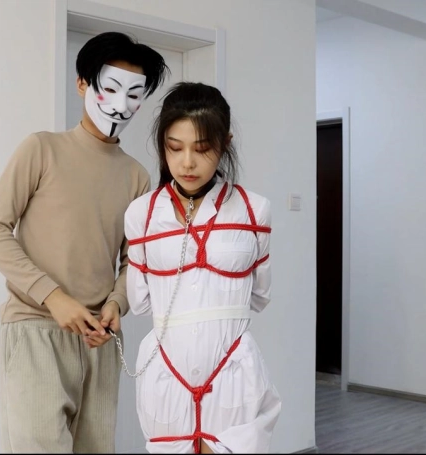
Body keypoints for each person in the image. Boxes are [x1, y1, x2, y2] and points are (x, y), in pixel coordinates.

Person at [0, 31, 169, 453]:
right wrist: (53, 297)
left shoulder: (137, 177)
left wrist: (117, 303)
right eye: (111, 88)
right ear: (83, 83)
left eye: (134, 94)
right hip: (35, 330)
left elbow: (135, 260)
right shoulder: (41, 149)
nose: (121, 104)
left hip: (99, 338)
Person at [119, 82, 282, 453]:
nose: (187, 162)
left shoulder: (255, 210)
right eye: (174, 148)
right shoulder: (141, 215)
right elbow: (140, 303)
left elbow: (259, 296)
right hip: (167, 375)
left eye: (203, 148)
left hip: (233, 373)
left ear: (225, 143)